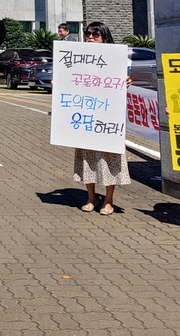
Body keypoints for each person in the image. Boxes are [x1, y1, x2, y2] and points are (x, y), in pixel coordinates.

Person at [74, 21, 130, 216]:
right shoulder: (77, 58)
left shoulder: (116, 58)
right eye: (88, 34)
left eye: (95, 34)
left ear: (104, 37)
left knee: (109, 158)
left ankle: (108, 200)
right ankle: (91, 197)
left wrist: (127, 81)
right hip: (85, 115)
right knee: (87, 157)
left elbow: (122, 80)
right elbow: (70, 80)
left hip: (108, 117)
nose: (90, 37)